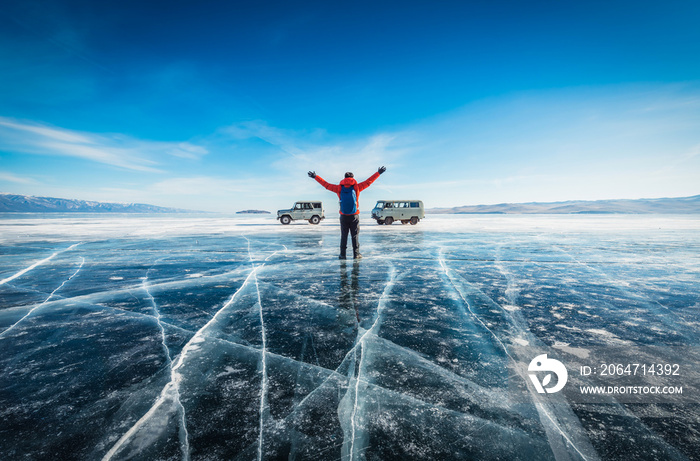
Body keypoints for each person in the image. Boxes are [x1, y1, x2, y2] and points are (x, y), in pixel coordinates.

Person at [308, 166, 386, 259]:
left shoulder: (339, 188)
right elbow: (369, 182)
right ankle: (356, 254)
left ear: (344, 178)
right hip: (354, 216)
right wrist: (378, 173)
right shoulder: (357, 187)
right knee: (354, 236)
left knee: (344, 236)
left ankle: (342, 254)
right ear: (353, 178)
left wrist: (315, 176)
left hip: (343, 216)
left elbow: (326, 185)